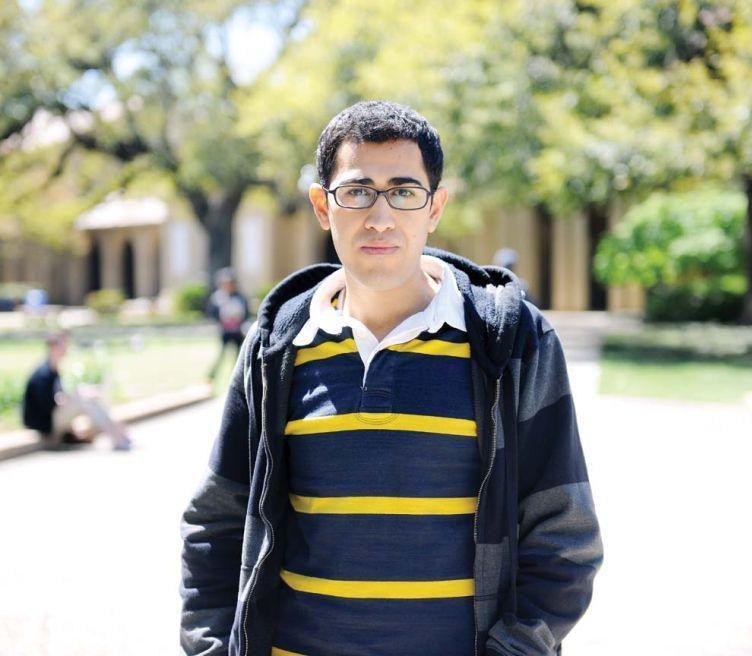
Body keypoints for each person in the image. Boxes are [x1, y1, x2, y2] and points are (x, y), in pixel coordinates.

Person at [180, 101, 603, 656]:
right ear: (322, 206)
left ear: (435, 208)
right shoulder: (276, 347)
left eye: (404, 192)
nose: (380, 217)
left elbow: (564, 535)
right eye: (356, 191)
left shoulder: (513, 342)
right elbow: (216, 522)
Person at [21, 331, 131, 451]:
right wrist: (72, 397)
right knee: (84, 399)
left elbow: (58, 398)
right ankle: (117, 435)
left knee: (89, 398)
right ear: (53, 347)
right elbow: (47, 405)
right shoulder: (44, 373)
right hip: (44, 424)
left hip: (53, 419)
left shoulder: (53, 369)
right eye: (63, 345)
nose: (66, 348)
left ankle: (116, 431)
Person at [206, 268, 251, 381]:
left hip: (238, 333)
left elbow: (246, 314)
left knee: (239, 357)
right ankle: (211, 377)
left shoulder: (240, 298)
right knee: (221, 356)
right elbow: (213, 313)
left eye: (231, 283)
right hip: (225, 332)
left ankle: (237, 378)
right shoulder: (217, 298)